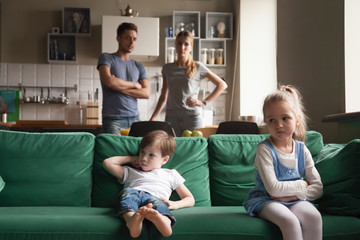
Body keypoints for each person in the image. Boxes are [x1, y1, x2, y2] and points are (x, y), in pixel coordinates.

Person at [243, 85, 323, 240]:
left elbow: (318, 188)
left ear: (297, 119)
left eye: (285, 118)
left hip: (295, 199)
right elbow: (273, 190)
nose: (279, 125)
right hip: (266, 200)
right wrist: (303, 185)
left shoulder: (301, 149)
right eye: (272, 120)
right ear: (266, 122)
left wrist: (292, 197)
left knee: (314, 217)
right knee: (290, 221)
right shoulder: (265, 149)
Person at [103, 130, 195, 238]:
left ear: (164, 159)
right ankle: (132, 220)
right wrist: (132, 158)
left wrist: (175, 204)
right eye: (142, 152)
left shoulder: (170, 174)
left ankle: (164, 221)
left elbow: (190, 199)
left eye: (151, 155)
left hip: (155, 197)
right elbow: (107, 163)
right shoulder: (131, 172)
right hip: (133, 193)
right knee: (126, 197)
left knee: (159, 206)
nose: (144, 158)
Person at [150, 31, 227, 136]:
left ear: (191, 46)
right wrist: (153, 118)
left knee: (194, 150)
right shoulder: (167, 68)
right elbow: (164, 95)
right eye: (179, 43)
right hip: (171, 119)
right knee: (173, 150)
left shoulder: (198, 67)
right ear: (175, 45)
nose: (182, 47)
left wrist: (203, 102)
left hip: (193, 119)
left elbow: (222, 85)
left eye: (186, 44)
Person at [97, 22, 150, 134]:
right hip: (113, 119)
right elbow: (109, 81)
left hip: (135, 118)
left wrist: (118, 86)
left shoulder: (138, 65)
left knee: (134, 151)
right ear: (118, 38)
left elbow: (146, 93)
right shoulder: (106, 58)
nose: (132, 42)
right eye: (128, 38)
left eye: (134, 39)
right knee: (115, 151)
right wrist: (135, 85)